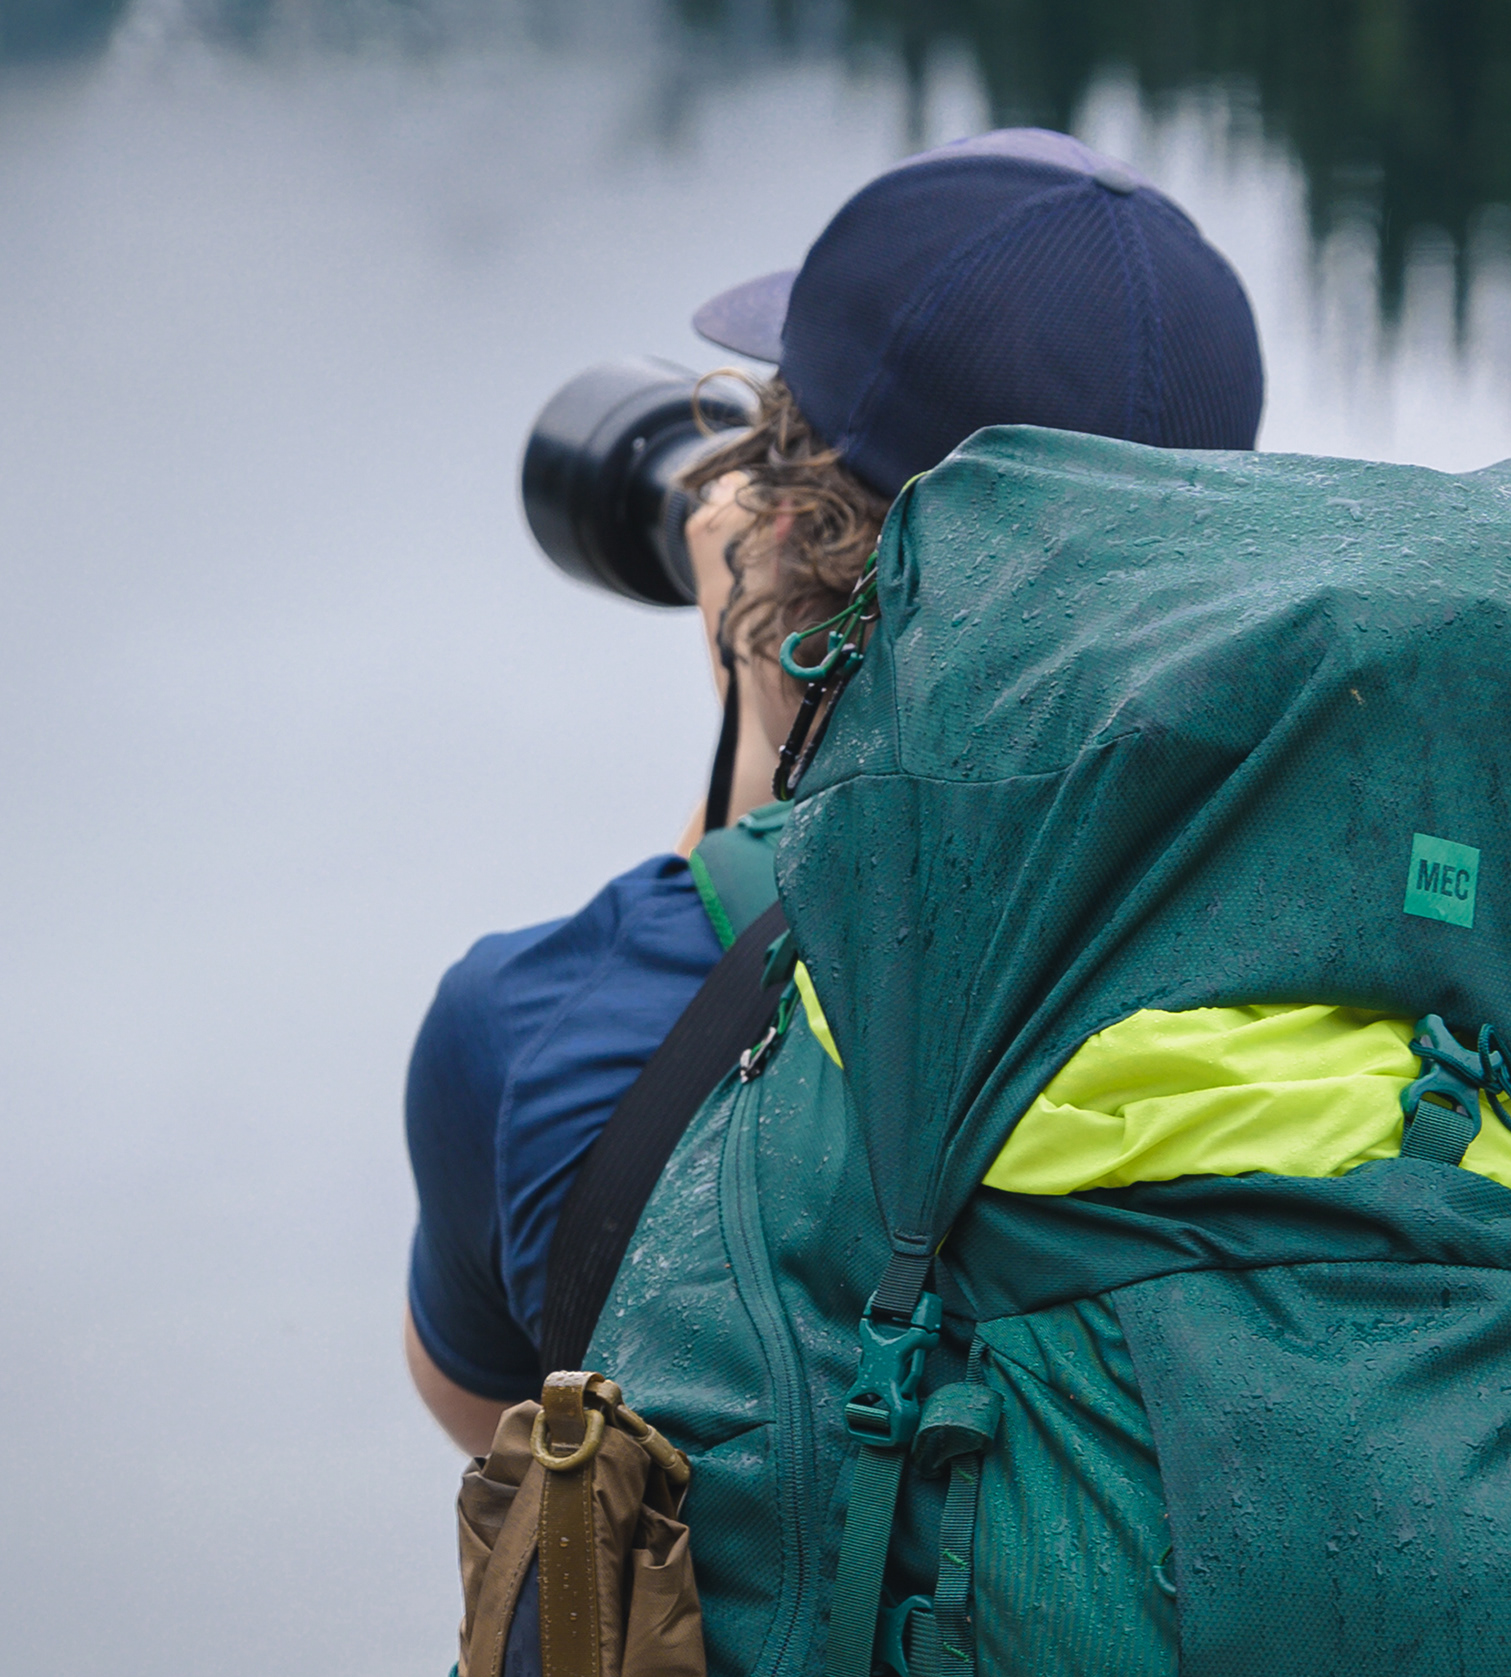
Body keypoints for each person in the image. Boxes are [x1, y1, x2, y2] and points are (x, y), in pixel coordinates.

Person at [401, 127, 1265, 1453]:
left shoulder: (531, 1034)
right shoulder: (1356, 958)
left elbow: (516, 1442)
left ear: (790, 531)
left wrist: (756, 786)